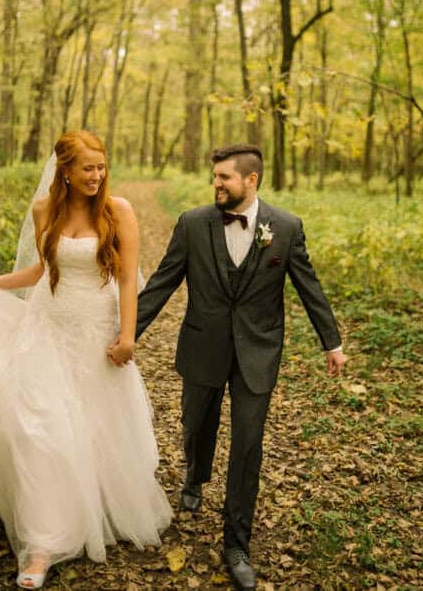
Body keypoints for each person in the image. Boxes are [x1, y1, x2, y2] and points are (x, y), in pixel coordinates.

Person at [0, 130, 171, 589]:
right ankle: (42, 544)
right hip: (45, 330)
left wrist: (128, 336)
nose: (97, 176)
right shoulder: (44, 210)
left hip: (95, 333)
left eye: (102, 166)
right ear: (64, 171)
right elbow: (41, 270)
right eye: (87, 169)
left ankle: (88, 507)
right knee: (33, 429)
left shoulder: (119, 211)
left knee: (89, 429)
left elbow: (130, 279)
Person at [126, 143, 345, 591]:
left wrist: (332, 342)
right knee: (196, 423)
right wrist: (127, 334)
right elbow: (163, 282)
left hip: (257, 352)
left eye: (225, 177)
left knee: (248, 445)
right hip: (203, 345)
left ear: (252, 180)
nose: (217, 184)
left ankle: (236, 543)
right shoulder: (192, 223)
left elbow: (308, 285)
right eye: (215, 177)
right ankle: (194, 474)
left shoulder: (284, 228)